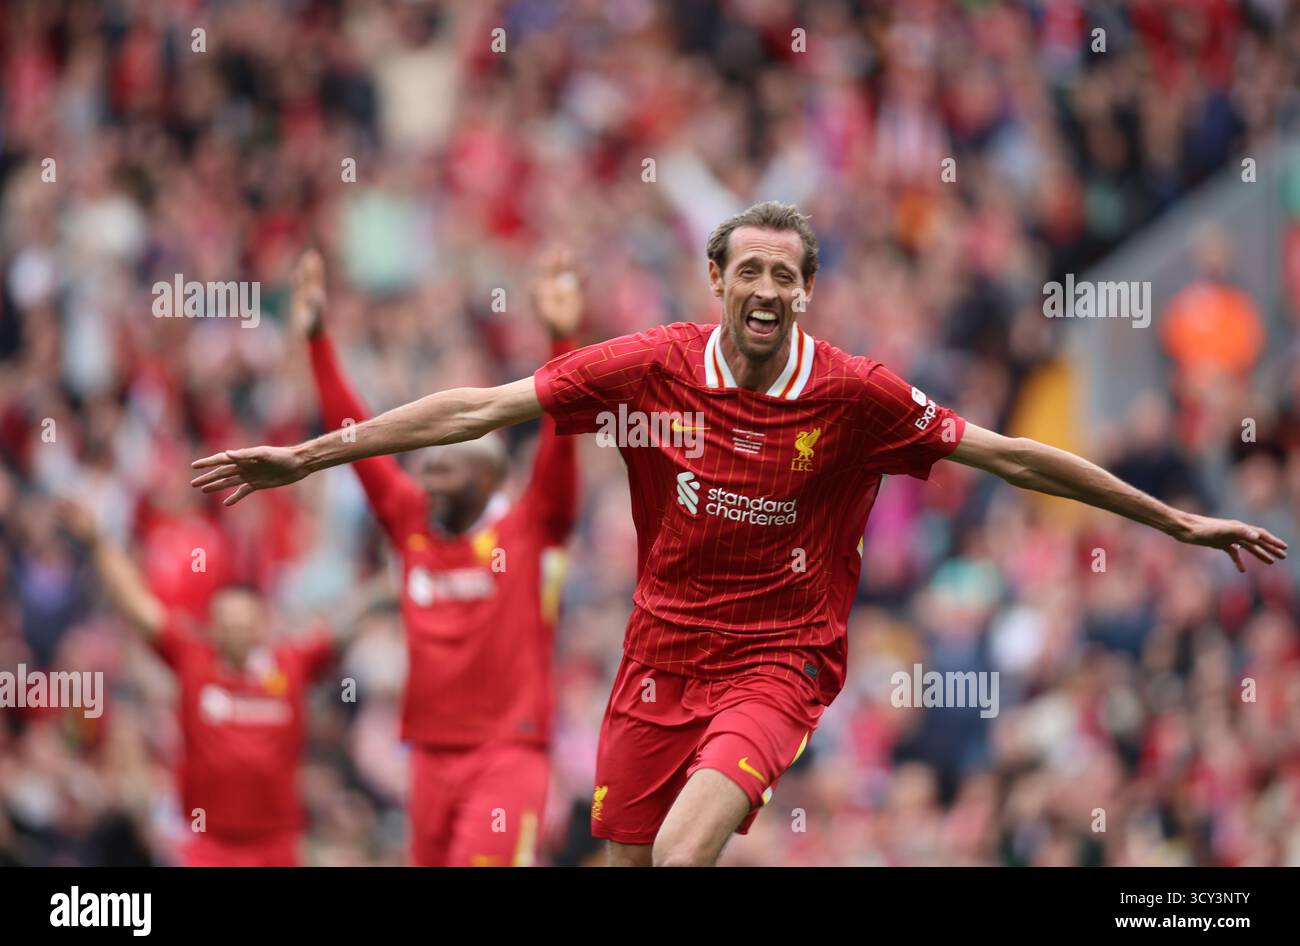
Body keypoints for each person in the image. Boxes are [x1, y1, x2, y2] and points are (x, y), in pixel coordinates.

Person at [191, 201, 1288, 867]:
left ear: (806, 292)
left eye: (785, 273)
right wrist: (310, 454)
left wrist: (1174, 519)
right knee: (622, 854)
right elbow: (478, 406)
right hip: (656, 657)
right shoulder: (649, 365)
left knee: (679, 851)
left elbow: (1009, 452)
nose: (765, 287)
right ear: (717, 282)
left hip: (777, 661)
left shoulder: (855, 394)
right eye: (748, 270)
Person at [288, 249, 580, 866]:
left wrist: (561, 335)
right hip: (426, 758)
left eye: (443, 469)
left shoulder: (529, 529)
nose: (428, 482)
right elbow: (356, 441)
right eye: (425, 471)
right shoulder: (412, 524)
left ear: (487, 478)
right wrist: (317, 341)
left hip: (506, 758)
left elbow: (562, 436)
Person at [62, 501, 349, 867]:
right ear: (212, 625)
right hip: (207, 843)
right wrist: (98, 541)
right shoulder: (191, 659)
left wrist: (397, 573)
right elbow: (136, 606)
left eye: (244, 621)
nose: (234, 629)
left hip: (278, 845)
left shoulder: (293, 663)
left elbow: (344, 625)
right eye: (226, 621)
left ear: (263, 624)